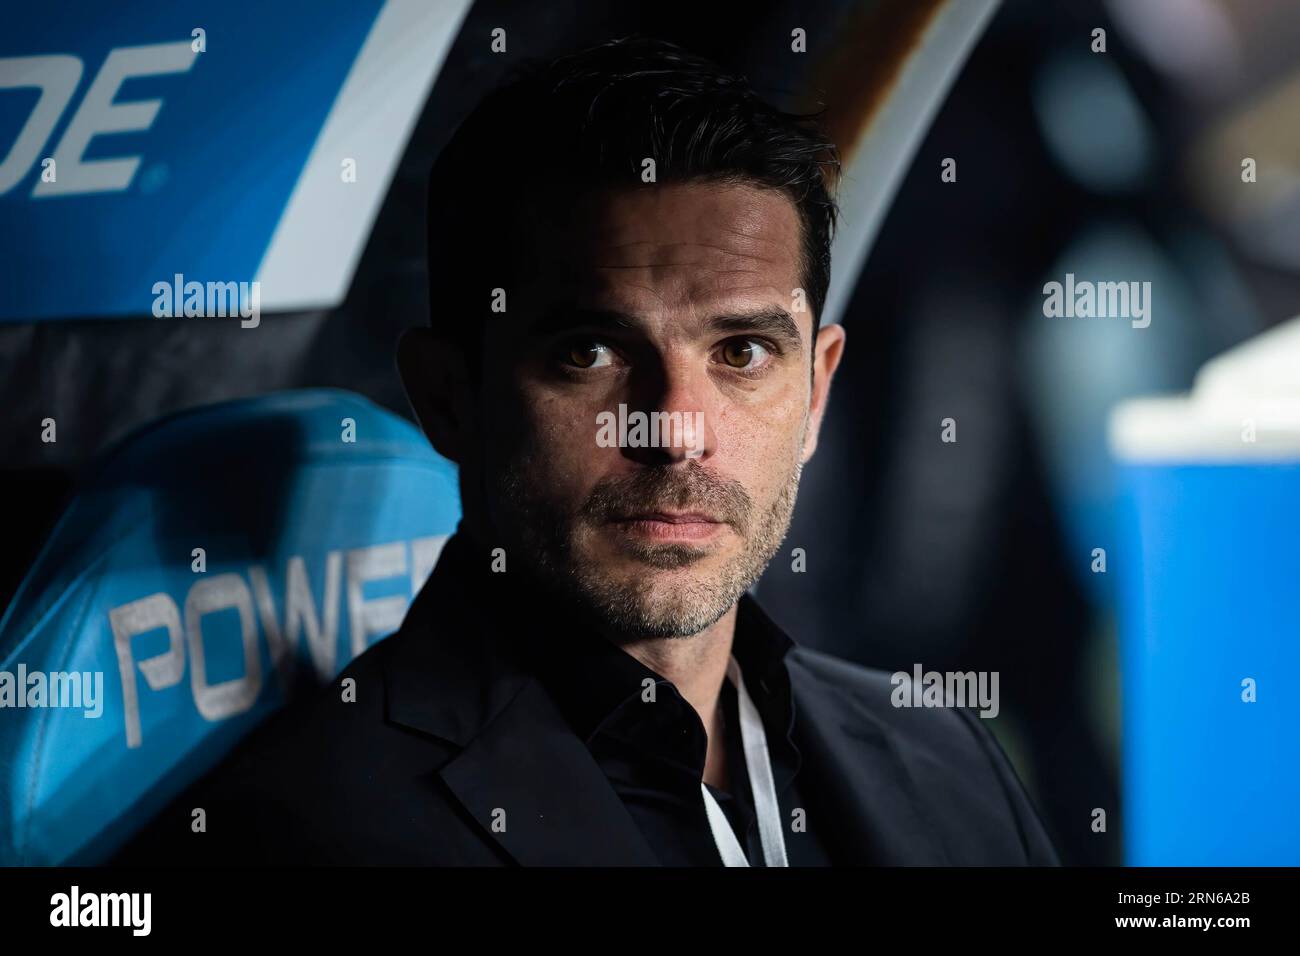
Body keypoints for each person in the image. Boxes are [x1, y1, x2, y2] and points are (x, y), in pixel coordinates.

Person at [114, 36, 1058, 867]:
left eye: (742, 354)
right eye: (591, 353)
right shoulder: (298, 834)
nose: (675, 430)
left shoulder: (946, 755)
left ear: (815, 392)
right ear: (451, 395)